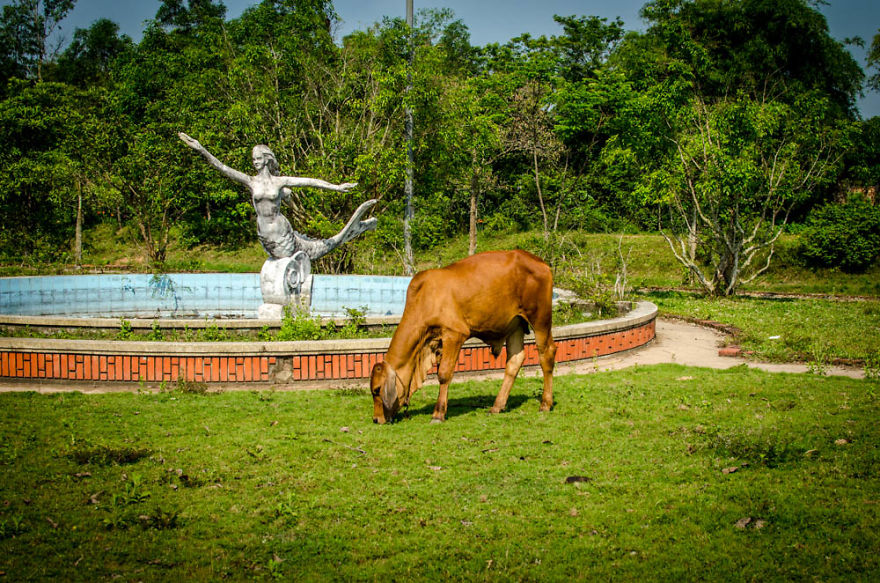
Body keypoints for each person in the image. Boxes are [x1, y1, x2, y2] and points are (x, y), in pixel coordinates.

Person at [178, 132, 377, 260]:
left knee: (303, 258)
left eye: (258, 159)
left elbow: (310, 182)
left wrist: (336, 187)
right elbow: (222, 167)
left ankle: (356, 228)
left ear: (266, 160)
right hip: (264, 235)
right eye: (253, 159)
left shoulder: (279, 182)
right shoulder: (251, 181)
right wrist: (201, 149)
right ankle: (359, 228)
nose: (255, 162)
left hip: (282, 234)